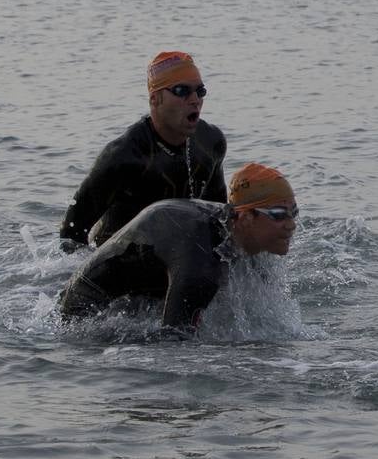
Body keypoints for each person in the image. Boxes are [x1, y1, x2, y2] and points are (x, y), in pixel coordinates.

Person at [59, 162, 298, 330]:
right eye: (279, 214)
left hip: (145, 293)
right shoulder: (200, 263)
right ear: (245, 217)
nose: (291, 225)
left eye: (293, 213)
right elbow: (174, 346)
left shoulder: (243, 239)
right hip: (87, 310)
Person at [59, 50, 227, 250]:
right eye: (182, 91)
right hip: (118, 260)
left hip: (177, 256)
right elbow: (70, 235)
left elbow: (220, 220)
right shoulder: (122, 157)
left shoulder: (211, 143)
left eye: (200, 91)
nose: (194, 99)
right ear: (155, 99)